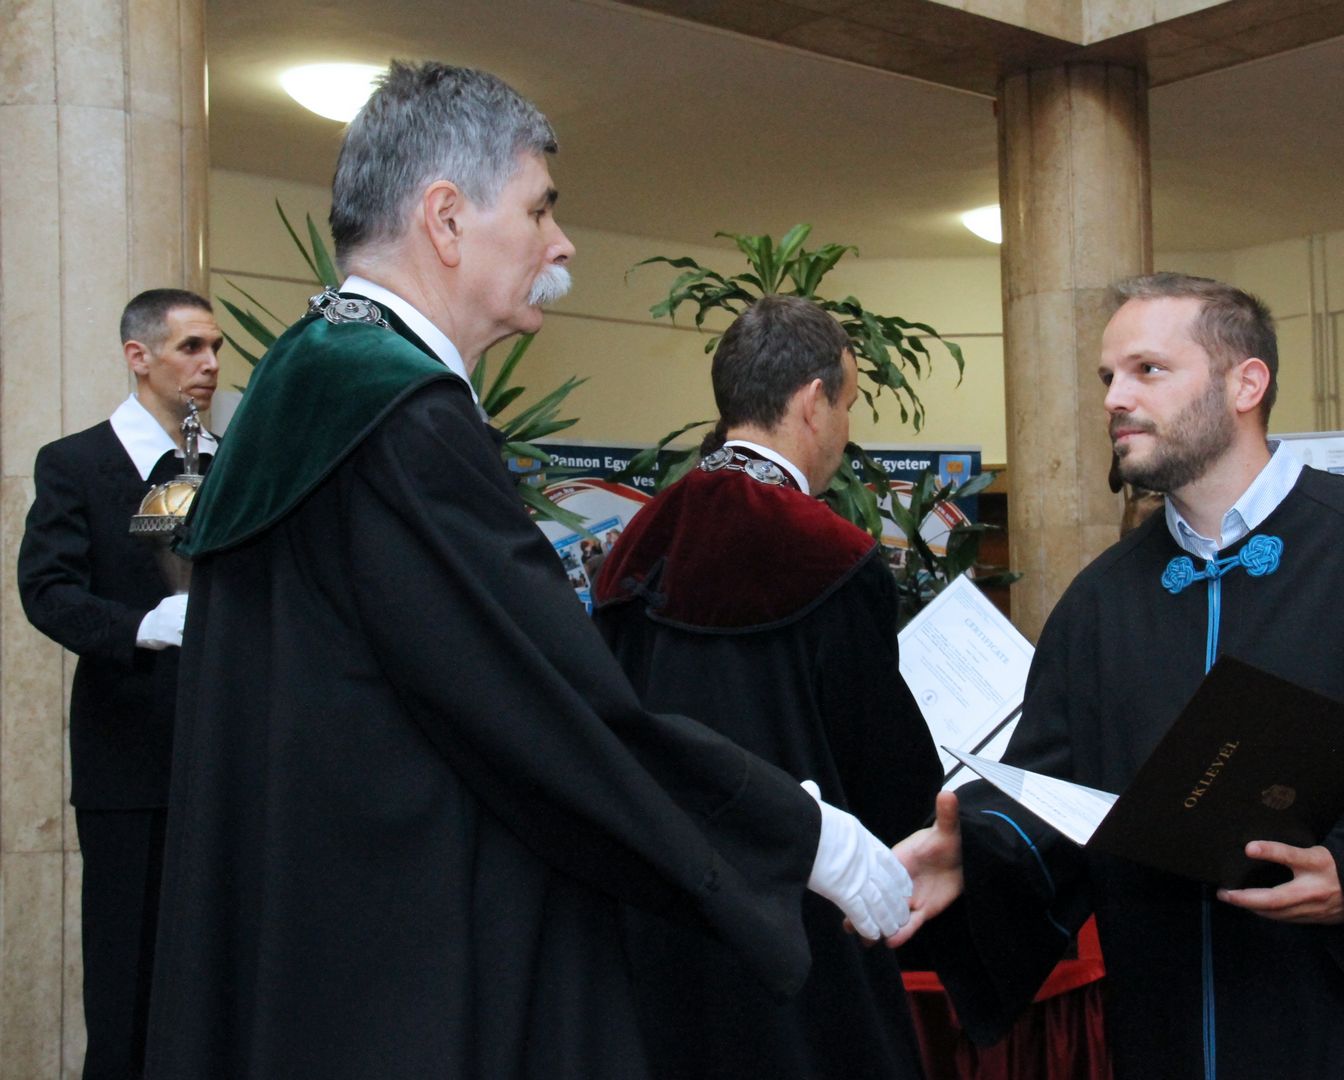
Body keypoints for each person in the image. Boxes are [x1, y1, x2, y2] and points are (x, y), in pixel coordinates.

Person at [143, 60, 909, 1079]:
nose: (562, 243)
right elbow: (556, 710)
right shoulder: (403, 418)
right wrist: (809, 838)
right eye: (540, 209)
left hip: (315, 934)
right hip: (413, 959)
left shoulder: (305, 375)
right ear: (446, 219)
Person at [892, 272, 1344, 1078]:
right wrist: (976, 852)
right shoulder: (1101, 600)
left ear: (1247, 384)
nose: (1114, 398)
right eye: (1108, 376)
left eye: (1148, 370)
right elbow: (1057, 793)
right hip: (1172, 1027)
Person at [593, 295, 941, 1079]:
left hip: (664, 923)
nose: (845, 430)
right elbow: (884, 775)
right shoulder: (832, 554)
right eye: (848, 405)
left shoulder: (634, 546)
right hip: (803, 926)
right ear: (813, 402)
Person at [16, 288, 222, 1079]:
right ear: (139, 356)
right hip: (130, 759)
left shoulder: (232, 464)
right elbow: (47, 592)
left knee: (218, 974)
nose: (209, 363)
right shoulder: (76, 463)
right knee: (126, 976)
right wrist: (143, 625)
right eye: (191, 347)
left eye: (216, 347)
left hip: (228, 758)